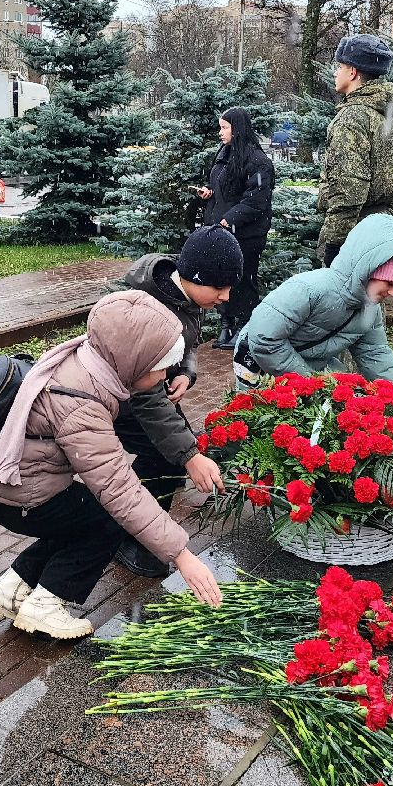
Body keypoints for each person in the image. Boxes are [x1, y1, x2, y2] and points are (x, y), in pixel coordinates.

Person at [0, 290, 223, 639]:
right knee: (108, 519)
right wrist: (182, 555)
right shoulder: (83, 403)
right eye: (161, 365)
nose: (165, 373)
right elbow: (119, 490)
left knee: (80, 520)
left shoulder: (87, 361)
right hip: (22, 494)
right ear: (135, 361)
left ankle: (11, 589)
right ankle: (48, 604)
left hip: (6, 482)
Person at [108, 225, 241, 577]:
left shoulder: (186, 295)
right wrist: (189, 457)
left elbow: (188, 343)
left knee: (172, 453)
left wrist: (185, 372)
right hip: (121, 396)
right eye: (219, 287)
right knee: (169, 456)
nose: (226, 297)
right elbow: (145, 398)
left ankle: (137, 519)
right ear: (195, 277)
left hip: (152, 390)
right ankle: (129, 534)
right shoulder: (149, 306)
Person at [235, 213, 393, 391]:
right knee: (264, 417)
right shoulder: (310, 289)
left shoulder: (370, 308)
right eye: (390, 282)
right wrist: (311, 384)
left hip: (307, 365)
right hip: (258, 361)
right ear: (367, 271)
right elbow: (264, 338)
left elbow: (375, 354)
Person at [317, 34, 393, 306]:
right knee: (371, 319)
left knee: (343, 319)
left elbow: (348, 188)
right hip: (382, 234)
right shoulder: (391, 118)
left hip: (354, 239)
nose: (336, 72)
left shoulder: (352, 118)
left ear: (352, 71)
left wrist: (335, 245)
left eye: (339, 66)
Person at [195, 106, 274, 348]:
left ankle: (244, 326)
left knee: (244, 278)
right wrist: (209, 193)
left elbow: (257, 200)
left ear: (237, 129)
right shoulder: (224, 154)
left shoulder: (258, 161)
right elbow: (224, 187)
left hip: (246, 233)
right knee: (222, 278)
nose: (221, 133)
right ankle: (226, 324)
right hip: (221, 230)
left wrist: (230, 218)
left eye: (225, 127)